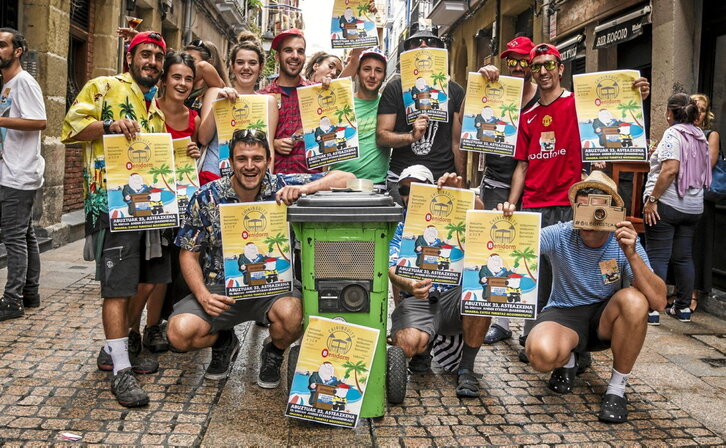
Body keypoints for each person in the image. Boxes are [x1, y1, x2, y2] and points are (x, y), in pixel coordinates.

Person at [166, 129, 354, 386]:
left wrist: (304, 188)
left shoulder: (281, 186)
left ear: (268, 160)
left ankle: (274, 352)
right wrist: (203, 295)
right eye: (242, 159)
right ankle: (224, 341)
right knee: (179, 333)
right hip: (220, 288)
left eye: (257, 158)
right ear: (230, 163)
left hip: (272, 289)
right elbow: (188, 253)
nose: (250, 166)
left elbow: (347, 177)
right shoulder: (207, 196)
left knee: (294, 316)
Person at [502, 43, 650, 360]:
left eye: (548, 64)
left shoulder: (579, 105)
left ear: (560, 68)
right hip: (535, 204)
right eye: (537, 65)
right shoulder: (526, 117)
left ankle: (580, 342)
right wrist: (512, 204)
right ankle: (539, 331)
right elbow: (522, 165)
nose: (543, 71)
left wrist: (636, 97)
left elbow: (615, 115)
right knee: (537, 274)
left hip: (574, 204)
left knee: (575, 274)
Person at [496, 171, 665, 423]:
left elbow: (659, 302)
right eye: (581, 208)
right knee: (540, 355)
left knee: (635, 300)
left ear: (611, 212)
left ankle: (617, 389)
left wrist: (631, 253)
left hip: (605, 317)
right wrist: (501, 220)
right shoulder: (561, 233)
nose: (588, 219)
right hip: (565, 313)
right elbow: (515, 245)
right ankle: (569, 358)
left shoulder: (623, 241)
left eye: (597, 210)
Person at [61, 31, 169, 407]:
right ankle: (121, 371)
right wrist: (109, 126)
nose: (151, 61)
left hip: (148, 210)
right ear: (130, 58)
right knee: (118, 287)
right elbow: (69, 129)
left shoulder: (154, 109)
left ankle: (117, 347)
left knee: (145, 282)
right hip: (112, 207)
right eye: (145, 54)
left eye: (157, 56)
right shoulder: (103, 87)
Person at [388, 164, 490, 398]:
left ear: (431, 188)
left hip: (454, 299)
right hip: (419, 298)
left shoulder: (454, 214)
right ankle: (423, 349)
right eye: (405, 189)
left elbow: (481, 215)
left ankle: (466, 368)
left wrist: (459, 192)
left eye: (418, 188)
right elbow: (391, 267)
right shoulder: (398, 225)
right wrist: (408, 285)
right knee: (406, 345)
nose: (410, 195)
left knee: (482, 295)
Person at [126, 51, 201, 355]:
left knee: (163, 274)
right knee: (145, 275)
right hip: (149, 203)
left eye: (188, 78)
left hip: (179, 204)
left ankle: (151, 327)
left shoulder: (193, 118)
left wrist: (194, 150)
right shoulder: (148, 109)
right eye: (177, 76)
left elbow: (196, 154)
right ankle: (128, 330)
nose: (182, 83)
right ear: (165, 79)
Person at [377, 27, 466, 205]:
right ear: (407, 52)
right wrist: (411, 136)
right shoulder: (395, 88)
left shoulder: (454, 90)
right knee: (399, 232)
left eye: (431, 42)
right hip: (402, 181)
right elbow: (382, 136)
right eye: (416, 43)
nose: (423, 45)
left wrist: (461, 182)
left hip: (441, 180)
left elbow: (457, 143)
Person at [643, 93, 711, 324]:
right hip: (692, 207)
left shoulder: (673, 133)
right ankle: (682, 309)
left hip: (668, 204)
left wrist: (652, 199)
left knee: (658, 256)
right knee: (683, 257)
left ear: (670, 113)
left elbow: (670, 169)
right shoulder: (699, 134)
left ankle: (652, 309)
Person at [0, 28, 46, 322]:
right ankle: (29, 292)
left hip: (19, 173)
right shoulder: (7, 85)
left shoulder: (24, 82)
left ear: (17, 51)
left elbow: (39, 121)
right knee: (25, 234)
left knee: (14, 237)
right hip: (12, 170)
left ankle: (12, 300)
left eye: (2, 45)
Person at [197, 31, 278, 181]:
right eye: (240, 62)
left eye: (252, 63)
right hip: (213, 177)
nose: (246, 67)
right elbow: (203, 138)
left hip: (251, 181)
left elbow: (269, 148)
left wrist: (267, 184)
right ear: (232, 66)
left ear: (260, 68)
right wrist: (219, 103)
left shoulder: (269, 102)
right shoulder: (215, 92)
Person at [258, 28, 318, 174]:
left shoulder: (317, 93)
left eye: (300, 51)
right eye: (288, 50)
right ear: (277, 56)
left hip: (310, 184)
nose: (295, 56)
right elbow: (251, 141)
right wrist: (272, 143)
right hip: (275, 186)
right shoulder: (262, 98)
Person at [330, 47, 389, 188]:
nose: (372, 75)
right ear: (358, 72)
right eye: (367, 69)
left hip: (376, 185)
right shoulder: (342, 103)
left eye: (378, 71)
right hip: (337, 184)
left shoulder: (388, 105)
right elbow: (335, 89)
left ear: (384, 76)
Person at [691, 93, 723, 309]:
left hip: (701, 197)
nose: (698, 113)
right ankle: (679, 291)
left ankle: (693, 295)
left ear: (706, 114)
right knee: (682, 246)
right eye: (694, 108)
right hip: (680, 196)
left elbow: (707, 165)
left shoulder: (711, 135)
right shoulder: (677, 131)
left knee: (697, 245)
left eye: (702, 109)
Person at [183, 39, 228, 112]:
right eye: (185, 59)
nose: (187, 63)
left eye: (192, 60)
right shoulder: (183, 88)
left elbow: (203, 66)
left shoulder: (215, 90)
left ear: (209, 63)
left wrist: (202, 67)